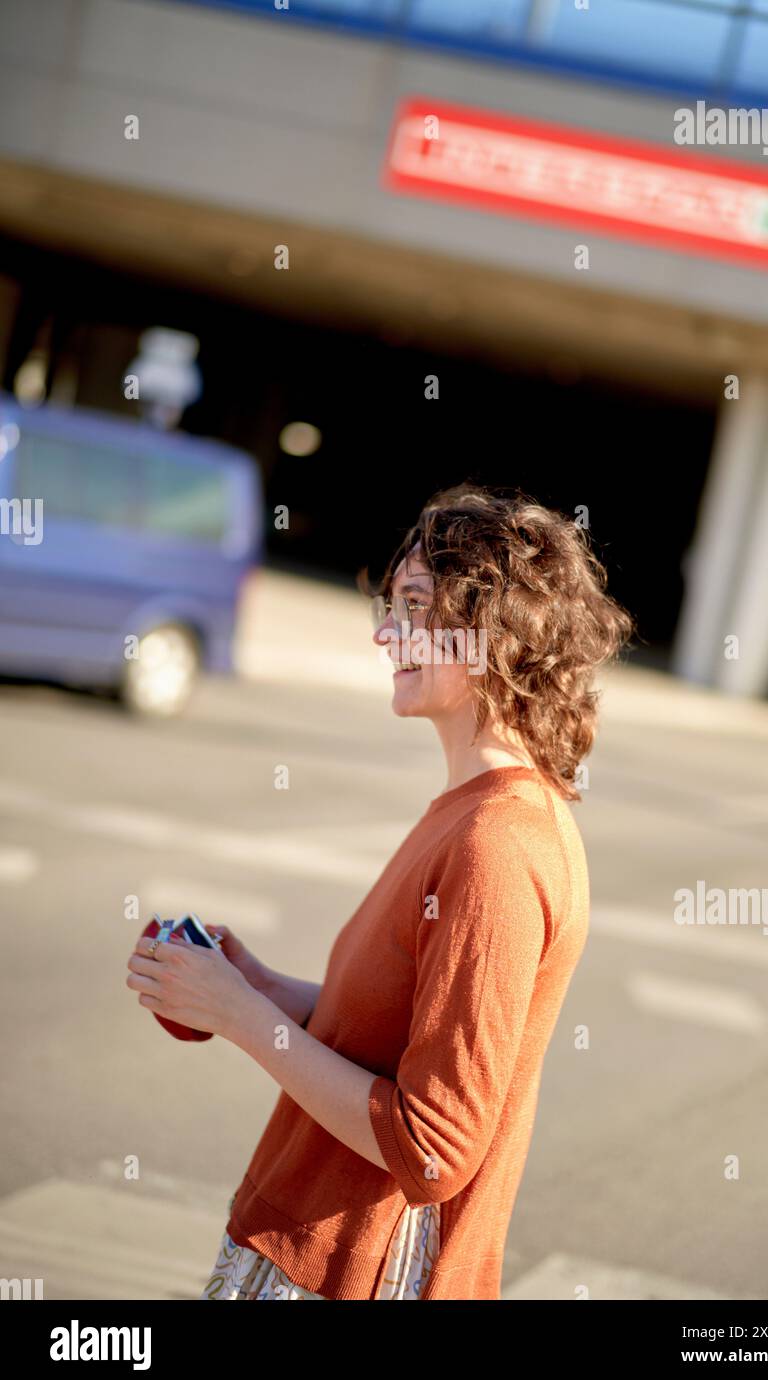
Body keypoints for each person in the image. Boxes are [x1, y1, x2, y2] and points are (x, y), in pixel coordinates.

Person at [126, 482, 633, 1300]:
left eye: (411, 605)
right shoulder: (481, 814)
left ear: (490, 630)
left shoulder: (496, 846)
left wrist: (239, 1016)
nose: (382, 632)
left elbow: (431, 1148)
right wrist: (254, 986)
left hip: (345, 1274)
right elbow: (402, 1032)